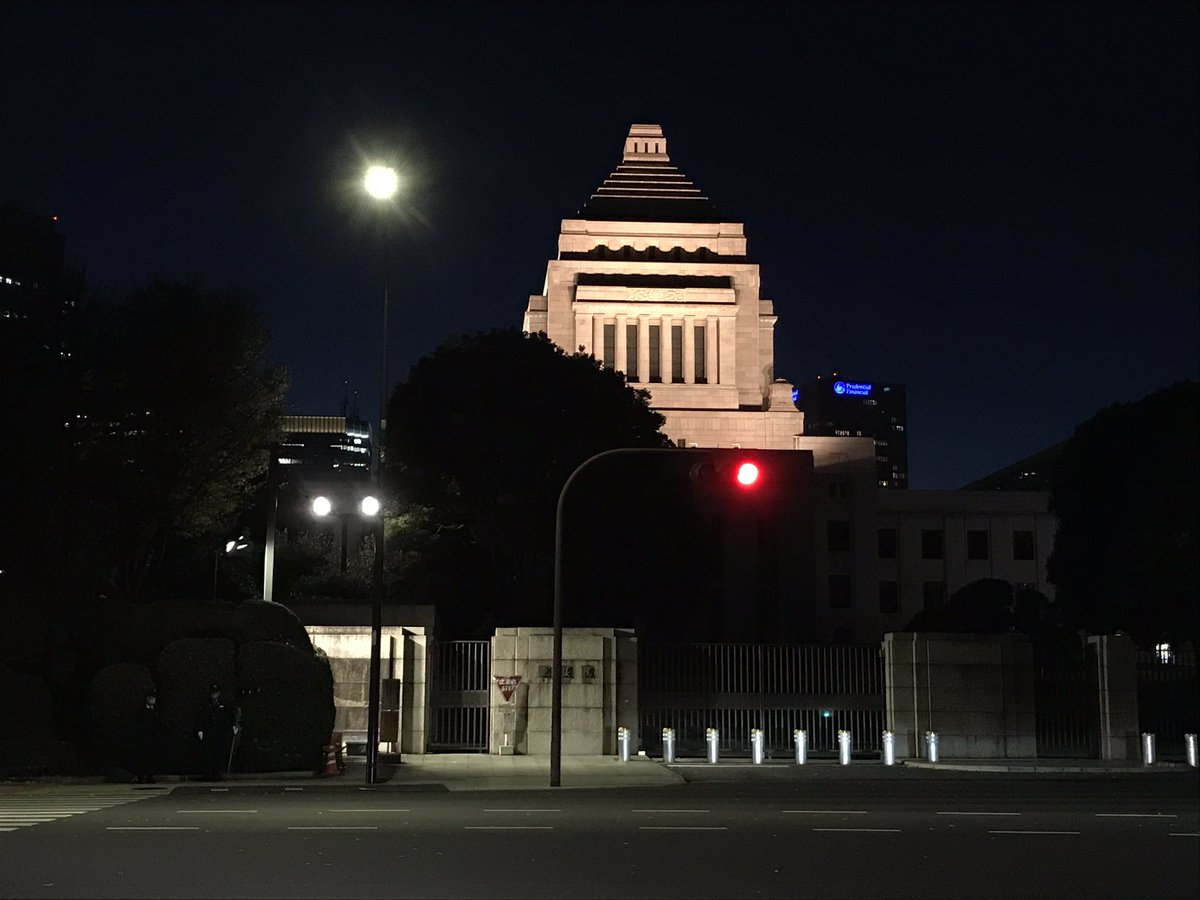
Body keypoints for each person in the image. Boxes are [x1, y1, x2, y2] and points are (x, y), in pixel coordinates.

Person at [196, 683, 237, 780]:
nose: (214, 695)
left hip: (220, 731)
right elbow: (200, 716)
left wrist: (233, 725)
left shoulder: (223, 703)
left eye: (216, 693)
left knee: (218, 752)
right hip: (209, 730)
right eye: (213, 693)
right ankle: (208, 773)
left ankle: (217, 772)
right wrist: (200, 729)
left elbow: (229, 715)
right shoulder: (206, 703)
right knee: (208, 753)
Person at [132, 691, 159, 784]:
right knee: (142, 758)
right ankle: (141, 776)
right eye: (151, 698)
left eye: (153, 699)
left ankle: (149, 776)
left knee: (151, 758)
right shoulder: (141, 711)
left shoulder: (155, 711)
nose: (152, 700)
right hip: (142, 738)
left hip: (152, 738)